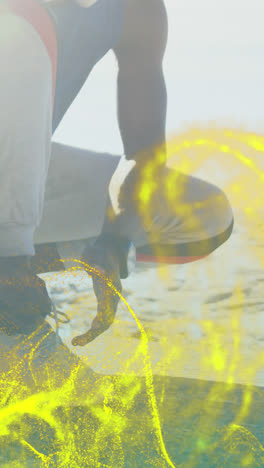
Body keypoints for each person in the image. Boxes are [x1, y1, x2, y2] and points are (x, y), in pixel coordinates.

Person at [0, 0, 234, 345]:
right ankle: (11, 268)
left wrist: (112, 242)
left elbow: (144, 159)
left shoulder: (139, 11)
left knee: (206, 214)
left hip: (21, 180)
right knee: (22, 22)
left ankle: (14, 278)